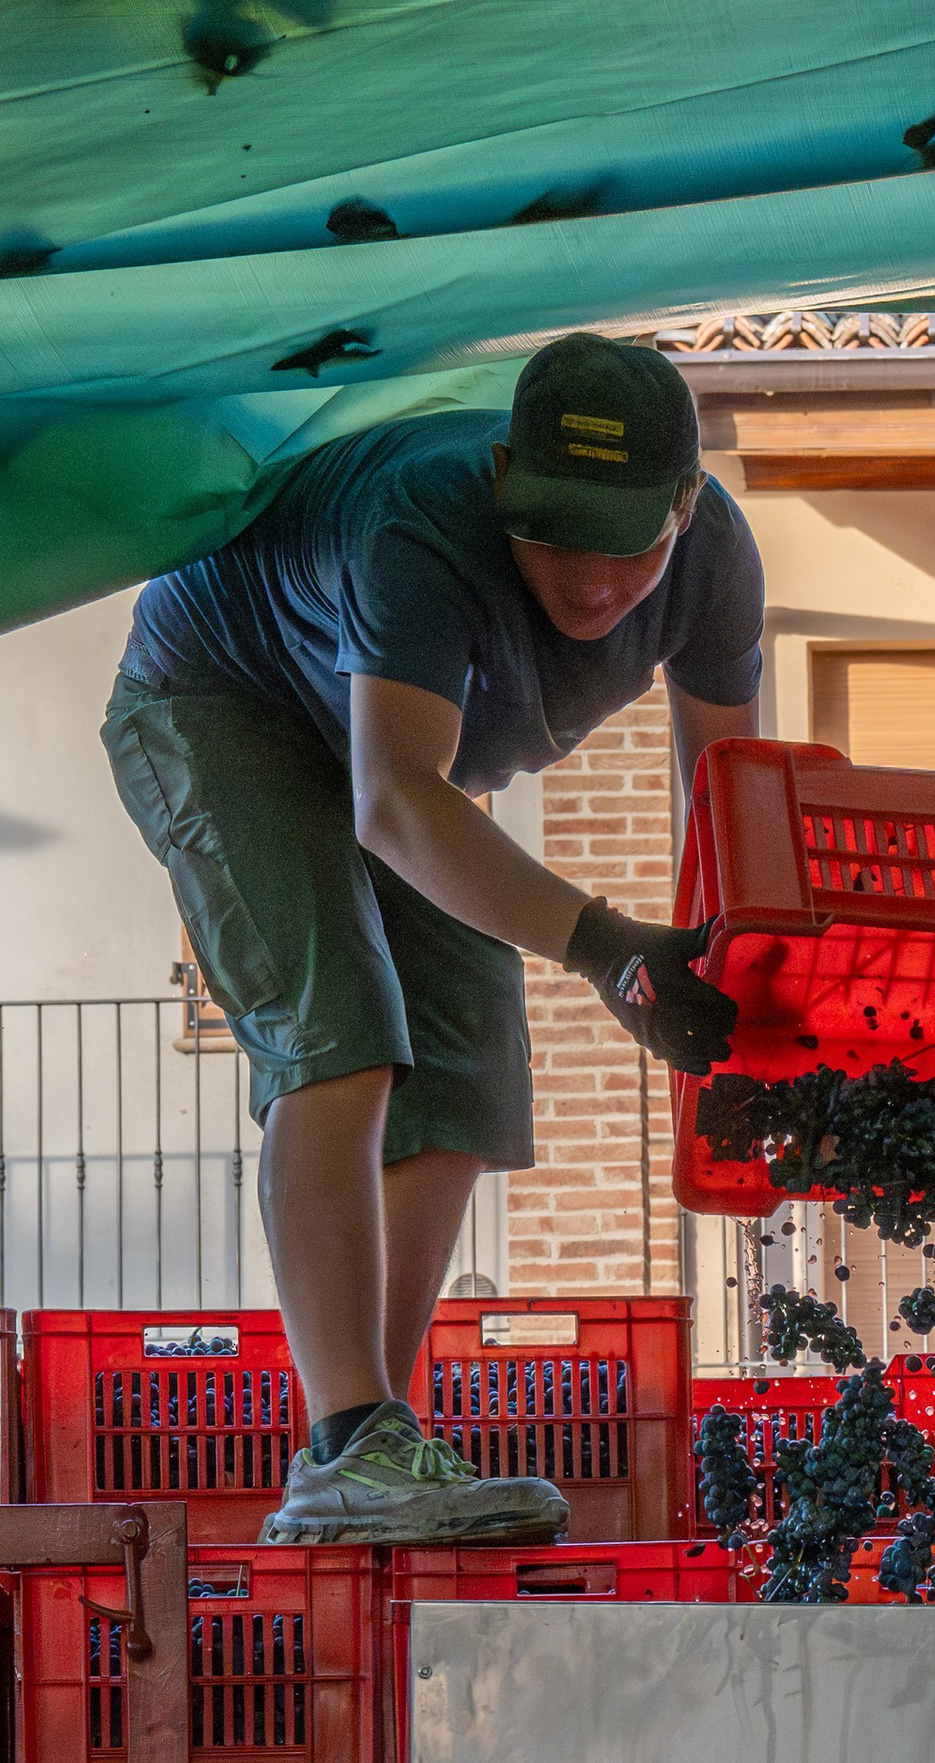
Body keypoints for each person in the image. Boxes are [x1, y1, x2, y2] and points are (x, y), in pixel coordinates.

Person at [105, 334, 755, 1542]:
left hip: (385, 750)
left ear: (686, 503)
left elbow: (736, 799)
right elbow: (396, 801)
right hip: (224, 702)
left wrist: (750, 967)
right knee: (341, 1031)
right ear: (503, 472)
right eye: (553, 530)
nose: (591, 578)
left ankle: (377, 1445)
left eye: (627, 542)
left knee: (467, 1050)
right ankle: (348, 1442)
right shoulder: (421, 521)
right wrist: (611, 946)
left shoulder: (717, 560)